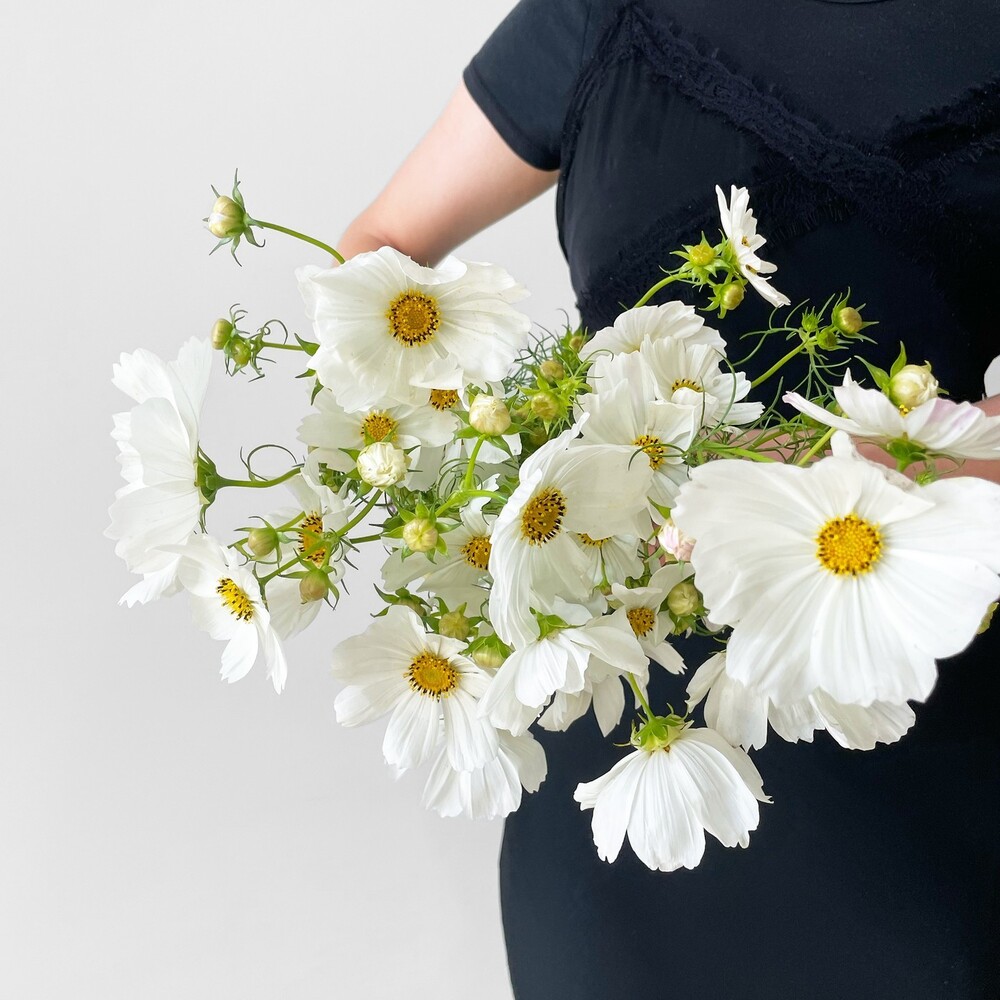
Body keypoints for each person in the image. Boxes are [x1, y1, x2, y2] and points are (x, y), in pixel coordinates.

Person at [338, 2, 1000, 997]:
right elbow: (379, 250)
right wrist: (484, 444)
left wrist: (866, 467)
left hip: (904, 766)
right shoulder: (601, 14)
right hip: (620, 757)